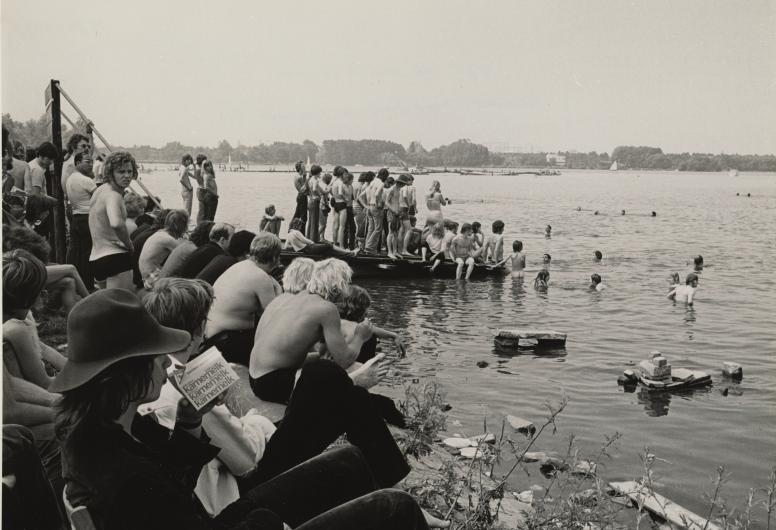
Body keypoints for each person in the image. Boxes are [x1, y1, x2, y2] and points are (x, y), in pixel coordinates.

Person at [53, 288, 438, 530]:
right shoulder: (127, 475)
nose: (163, 363)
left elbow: (174, 484)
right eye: (154, 357)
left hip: (216, 514)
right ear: (125, 376)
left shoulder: (101, 434)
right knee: (394, 507)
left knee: (347, 461)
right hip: (229, 518)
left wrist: (190, 423)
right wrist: (271, 521)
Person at [249, 258, 413, 489]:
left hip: (257, 376)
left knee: (350, 391)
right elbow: (344, 359)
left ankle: (388, 476)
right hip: (276, 380)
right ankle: (391, 477)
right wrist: (361, 338)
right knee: (353, 392)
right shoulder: (326, 309)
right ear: (338, 287)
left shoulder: (290, 299)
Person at [203, 233, 282, 365]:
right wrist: (279, 289)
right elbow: (274, 317)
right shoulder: (260, 277)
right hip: (228, 342)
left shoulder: (239, 266)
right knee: (276, 352)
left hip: (212, 337)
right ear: (275, 258)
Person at [2, 249, 68, 390]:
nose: (44, 293)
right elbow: (45, 384)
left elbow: (40, 347)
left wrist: (73, 368)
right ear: (25, 296)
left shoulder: (17, 320)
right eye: (40, 291)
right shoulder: (16, 329)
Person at [3, 224, 91, 314]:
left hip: (23, 271)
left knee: (68, 282)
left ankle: (72, 318)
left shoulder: (12, 235)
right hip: (18, 275)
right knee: (71, 269)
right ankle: (91, 302)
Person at [88, 151, 136, 290]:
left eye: (129, 171)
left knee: (107, 303)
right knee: (124, 302)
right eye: (121, 172)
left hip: (96, 258)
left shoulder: (99, 191)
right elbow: (116, 223)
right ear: (110, 173)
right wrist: (129, 244)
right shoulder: (113, 195)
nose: (127, 176)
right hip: (115, 257)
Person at [65, 152, 97, 290]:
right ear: (77, 163)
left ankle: (76, 282)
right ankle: (88, 285)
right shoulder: (86, 180)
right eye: (87, 161)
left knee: (76, 252)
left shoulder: (70, 179)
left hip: (76, 217)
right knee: (88, 253)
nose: (91, 164)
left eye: (92, 162)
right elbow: (100, 198)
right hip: (87, 217)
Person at [139, 209, 189, 288]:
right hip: (152, 279)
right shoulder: (168, 240)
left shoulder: (160, 233)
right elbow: (185, 254)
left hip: (146, 277)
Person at [284, 218, 358, 258]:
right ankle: (349, 252)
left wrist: (295, 247)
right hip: (309, 248)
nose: (300, 228)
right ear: (296, 225)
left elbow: (286, 247)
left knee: (328, 251)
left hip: (305, 250)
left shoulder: (289, 234)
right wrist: (313, 243)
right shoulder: (296, 232)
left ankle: (348, 253)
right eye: (300, 226)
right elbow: (305, 240)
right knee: (329, 245)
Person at [364, 168, 388, 253]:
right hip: (376, 207)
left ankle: (367, 246)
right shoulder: (381, 183)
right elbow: (377, 194)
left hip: (370, 206)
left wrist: (368, 204)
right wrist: (378, 203)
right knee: (378, 228)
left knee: (371, 228)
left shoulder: (373, 182)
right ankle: (369, 247)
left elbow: (367, 194)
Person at [60, 133, 91, 199]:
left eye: (88, 146)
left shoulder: (75, 162)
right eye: (83, 146)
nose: (87, 148)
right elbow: (66, 188)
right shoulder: (71, 164)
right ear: (73, 147)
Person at [305, 165, 323, 241]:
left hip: (310, 201)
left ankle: (308, 238)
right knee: (315, 222)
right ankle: (313, 240)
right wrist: (319, 195)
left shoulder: (310, 179)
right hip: (315, 201)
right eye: (320, 172)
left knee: (310, 221)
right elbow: (315, 189)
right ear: (317, 173)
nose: (320, 174)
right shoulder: (315, 180)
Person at [292, 161, 308, 226]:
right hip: (302, 196)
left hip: (300, 196)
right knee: (303, 217)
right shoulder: (299, 177)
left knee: (297, 215)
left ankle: (291, 228)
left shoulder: (298, 176)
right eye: (303, 166)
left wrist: (304, 176)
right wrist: (307, 178)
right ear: (300, 168)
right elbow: (303, 189)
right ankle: (301, 231)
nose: (305, 167)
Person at [194, 154, 208, 222]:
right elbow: (200, 181)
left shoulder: (200, 170)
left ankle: (201, 223)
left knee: (204, 210)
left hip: (202, 190)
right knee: (201, 210)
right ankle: (199, 224)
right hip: (201, 190)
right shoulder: (199, 170)